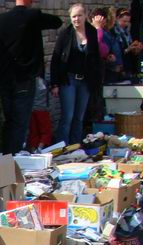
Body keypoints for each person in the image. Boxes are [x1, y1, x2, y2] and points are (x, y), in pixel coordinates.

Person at [0, 0, 62, 155]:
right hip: (24, 77)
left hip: (4, 78)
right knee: (20, 122)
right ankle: (14, 157)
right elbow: (57, 22)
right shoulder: (33, 16)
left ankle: (7, 157)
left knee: (9, 120)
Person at [50, 3, 101, 146]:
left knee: (79, 117)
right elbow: (56, 59)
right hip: (69, 79)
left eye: (79, 15)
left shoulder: (92, 32)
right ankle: (62, 147)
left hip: (85, 80)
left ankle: (75, 147)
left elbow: (95, 58)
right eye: (73, 16)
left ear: (85, 16)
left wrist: (96, 81)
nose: (76, 19)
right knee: (68, 116)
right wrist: (54, 83)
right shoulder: (65, 34)